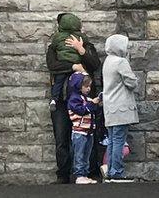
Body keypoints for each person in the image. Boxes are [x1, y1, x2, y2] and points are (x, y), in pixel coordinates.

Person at [46, 13, 102, 184]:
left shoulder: (85, 42)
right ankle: (63, 175)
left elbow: (95, 64)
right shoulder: (55, 46)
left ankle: (91, 172)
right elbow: (53, 65)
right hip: (62, 99)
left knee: (87, 134)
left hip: (84, 99)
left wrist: (81, 50)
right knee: (62, 138)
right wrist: (73, 66)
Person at [102, 34, 139, 183]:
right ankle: (117, 172)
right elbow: (131, 82)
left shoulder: (107, 61)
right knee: (118, 140)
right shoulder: (121, 62)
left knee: (112, 140)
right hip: (121, 107)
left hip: (110, 106)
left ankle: (111, 170)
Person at [67, 72, 102, 184]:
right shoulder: (74, 99)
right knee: (79, 154)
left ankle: (85, 174)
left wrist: (97, 103)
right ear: (78, 85)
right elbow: (81, 110)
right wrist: (92, 104)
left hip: (88, 131)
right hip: (79, 132)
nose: (88, 89)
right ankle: (79, 175)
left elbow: (92, 108)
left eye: (89, 86)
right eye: (86, 86)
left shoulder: (86, 98)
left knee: (86, 155)